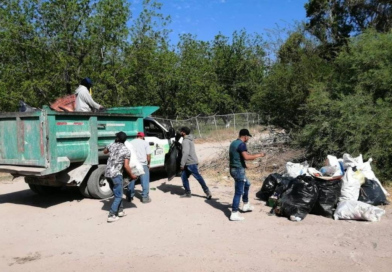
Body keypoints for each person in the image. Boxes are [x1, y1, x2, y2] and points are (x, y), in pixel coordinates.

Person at [229, 129, 265, 221]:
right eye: (248, 137)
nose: (248, 138)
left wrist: (244, 165)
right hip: (238, 170)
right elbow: (246, 157)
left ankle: (246, 204)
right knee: (238, 192)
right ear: (245, 136)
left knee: (247, 183)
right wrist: (259, 155)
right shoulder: (241, 144)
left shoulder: (233, 143)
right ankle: (234, 213)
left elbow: (236, 156)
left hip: (233, 169)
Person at [104, 131, 137, 223]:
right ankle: (111, 215)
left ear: (117, 138)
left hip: (107, 174)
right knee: (118, 196)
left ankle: (120, 211)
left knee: (117, 194)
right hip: (116, 175)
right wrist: (132, 175)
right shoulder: (126, 150)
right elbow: (126, 166)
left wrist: (114, 143)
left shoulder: (112, 145)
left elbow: (105, 151)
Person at [179, 127, 212, 199]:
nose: (180, 133)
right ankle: (188, 193)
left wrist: (182, 164)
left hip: (190, 163)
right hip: (191, 162)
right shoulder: (189, 139)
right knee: (184, 177)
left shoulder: (185, 141)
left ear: (183, 132)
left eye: (181, 131)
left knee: (198, 177)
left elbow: (185, 153)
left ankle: (207, 191)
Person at [126, 132, 152, 204]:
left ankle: (129, 196)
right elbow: (148, 155)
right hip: (142, 164)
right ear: (143, 137)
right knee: (145, 181)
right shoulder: (145, 143)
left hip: (133, 164)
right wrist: (148, 163)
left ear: (136, 136)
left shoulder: (131, 142)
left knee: (131, 180)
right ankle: (145, 198)